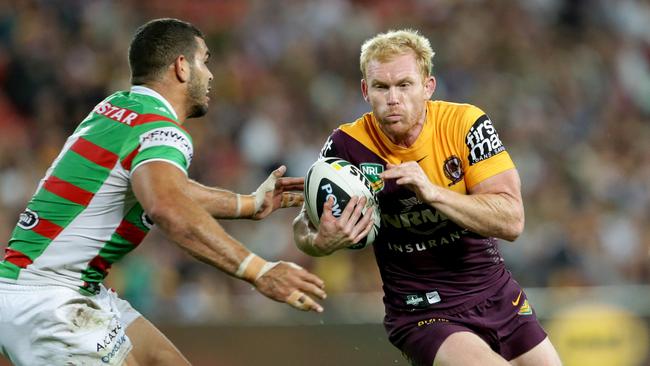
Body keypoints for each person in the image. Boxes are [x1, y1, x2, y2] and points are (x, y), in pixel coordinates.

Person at [0, 18, 326, 366]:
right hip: (51, 302)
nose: (212, 75)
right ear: (182, 67)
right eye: (205, 60)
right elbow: (166, 206)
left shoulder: (117, 109)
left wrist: (248, 204)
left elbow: (164, 188)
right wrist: (257, 270)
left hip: (59, 288)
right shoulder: (162, 130)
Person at [293, 29, 562, 366]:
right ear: (365, 90)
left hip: (495, 293)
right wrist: (318, 242)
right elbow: (303, 224)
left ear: (428, 87)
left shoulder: (465, 125)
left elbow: (511, 221)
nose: (393, 98)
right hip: (421, 310)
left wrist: (433, 193)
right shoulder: (347, 146)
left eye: (404, 85)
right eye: (381, 87)